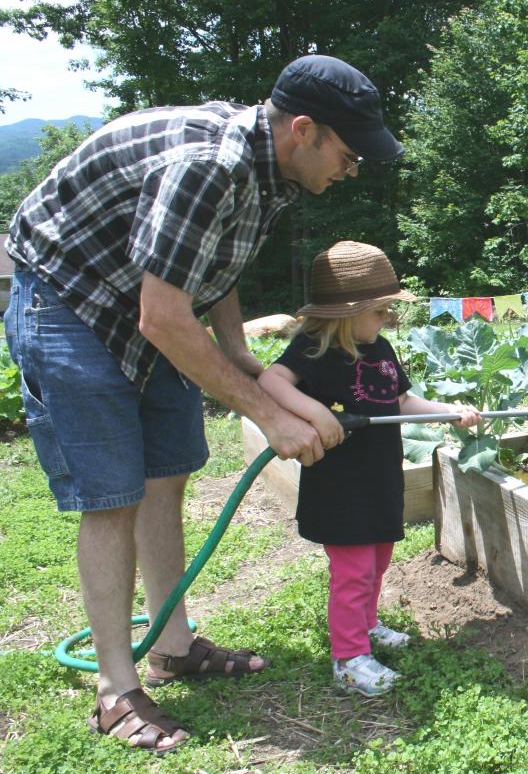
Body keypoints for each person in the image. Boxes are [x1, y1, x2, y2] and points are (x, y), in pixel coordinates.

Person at [3, 54, 404, 753]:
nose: (352, 168)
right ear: (304, 130)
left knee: (169, 475)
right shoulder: (211, 165)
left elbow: (208, 268)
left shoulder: (273, 173)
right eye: (347, 152)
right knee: (112, 496)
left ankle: (174, 645)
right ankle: (115, 691)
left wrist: (238, 355)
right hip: (71, 302)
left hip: (148, 302)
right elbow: (162, 315)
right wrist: (270, 412)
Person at [258, 240, 481, 696]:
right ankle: (348, 657)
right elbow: (270, 380)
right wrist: (318, 415)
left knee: (377, 561)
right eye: (380, 310)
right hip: (339, 486)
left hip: (378, 477)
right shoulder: (311, 350)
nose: (388, 319)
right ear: (345, 312)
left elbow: (400, 401)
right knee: (353, 571)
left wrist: (446, 410)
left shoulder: (379, 347)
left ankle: (368, 625)